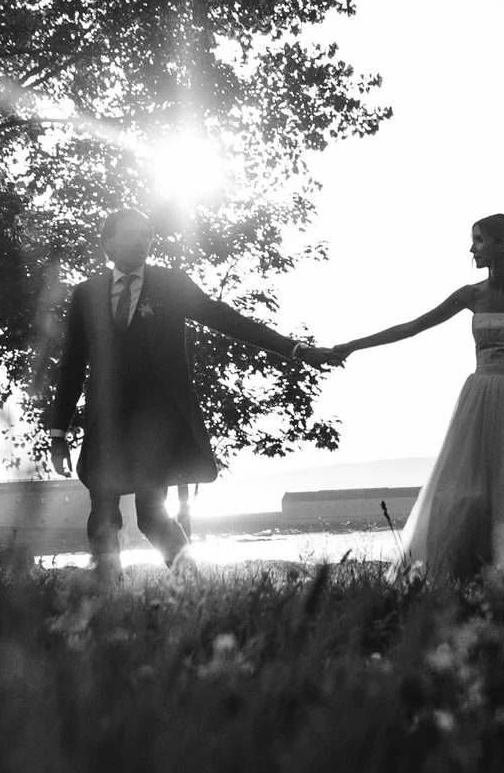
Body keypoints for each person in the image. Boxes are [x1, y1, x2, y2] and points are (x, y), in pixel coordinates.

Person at [41, 208, 329, 579]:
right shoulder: (86, 294)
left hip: (156, 423)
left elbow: (225, 319)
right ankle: (107, 596)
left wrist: (295, 350)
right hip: (105, 421)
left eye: (146, 235)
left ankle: (192, 584)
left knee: (151, 514)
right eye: (129, 235)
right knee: (103, 515)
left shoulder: (171, 284)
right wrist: (58, 433)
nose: (140, 242)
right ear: (108, 243)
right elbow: (72, 365)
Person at [330, 214, 504, 577]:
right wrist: (352, 345)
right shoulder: (470, 295)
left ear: (503, 245)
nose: (472, 248)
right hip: (479, 398)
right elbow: (413, 327)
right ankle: (465, 570)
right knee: (464, 490)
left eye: (479, 239)